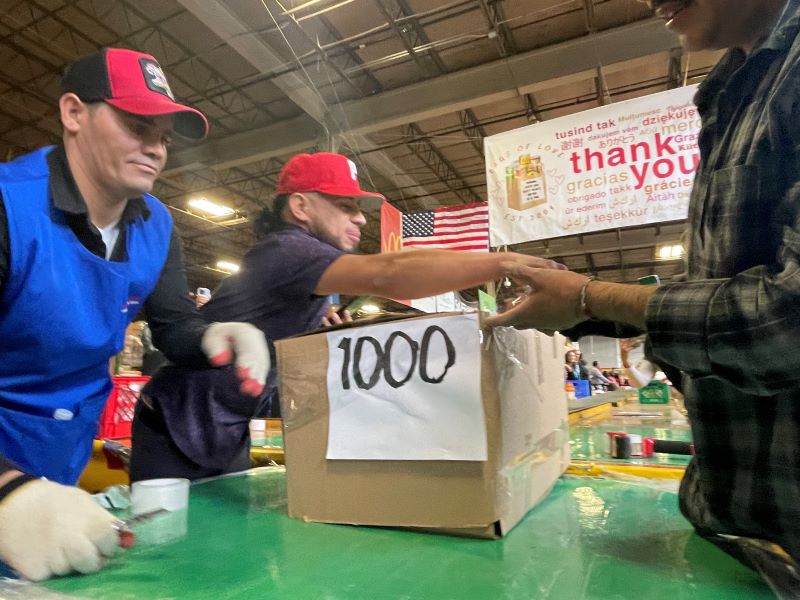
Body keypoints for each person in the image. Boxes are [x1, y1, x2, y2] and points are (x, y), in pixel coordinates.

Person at [488, 0, 800, 578]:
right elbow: (716, 293)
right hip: (739, 523)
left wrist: (588, 296)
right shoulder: (730, 92)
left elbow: (785, 322)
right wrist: (580, 299)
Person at [0, 47, 269, 582]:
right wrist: (7, 490)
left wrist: (216, 331)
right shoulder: (9, 208)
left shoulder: (156, 226)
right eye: (136, 125)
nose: (155, 147)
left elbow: (173, 327)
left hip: (60, 461)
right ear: (74, 113)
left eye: (164, 136)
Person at [129, 151, 564, 482]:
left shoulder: (314, 270)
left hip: (223, 426)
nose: (359, 218)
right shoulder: (289, 250)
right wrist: (504, 264)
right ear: (300, 207)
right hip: (177, 425)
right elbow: (387, 273)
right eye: (344, 206)